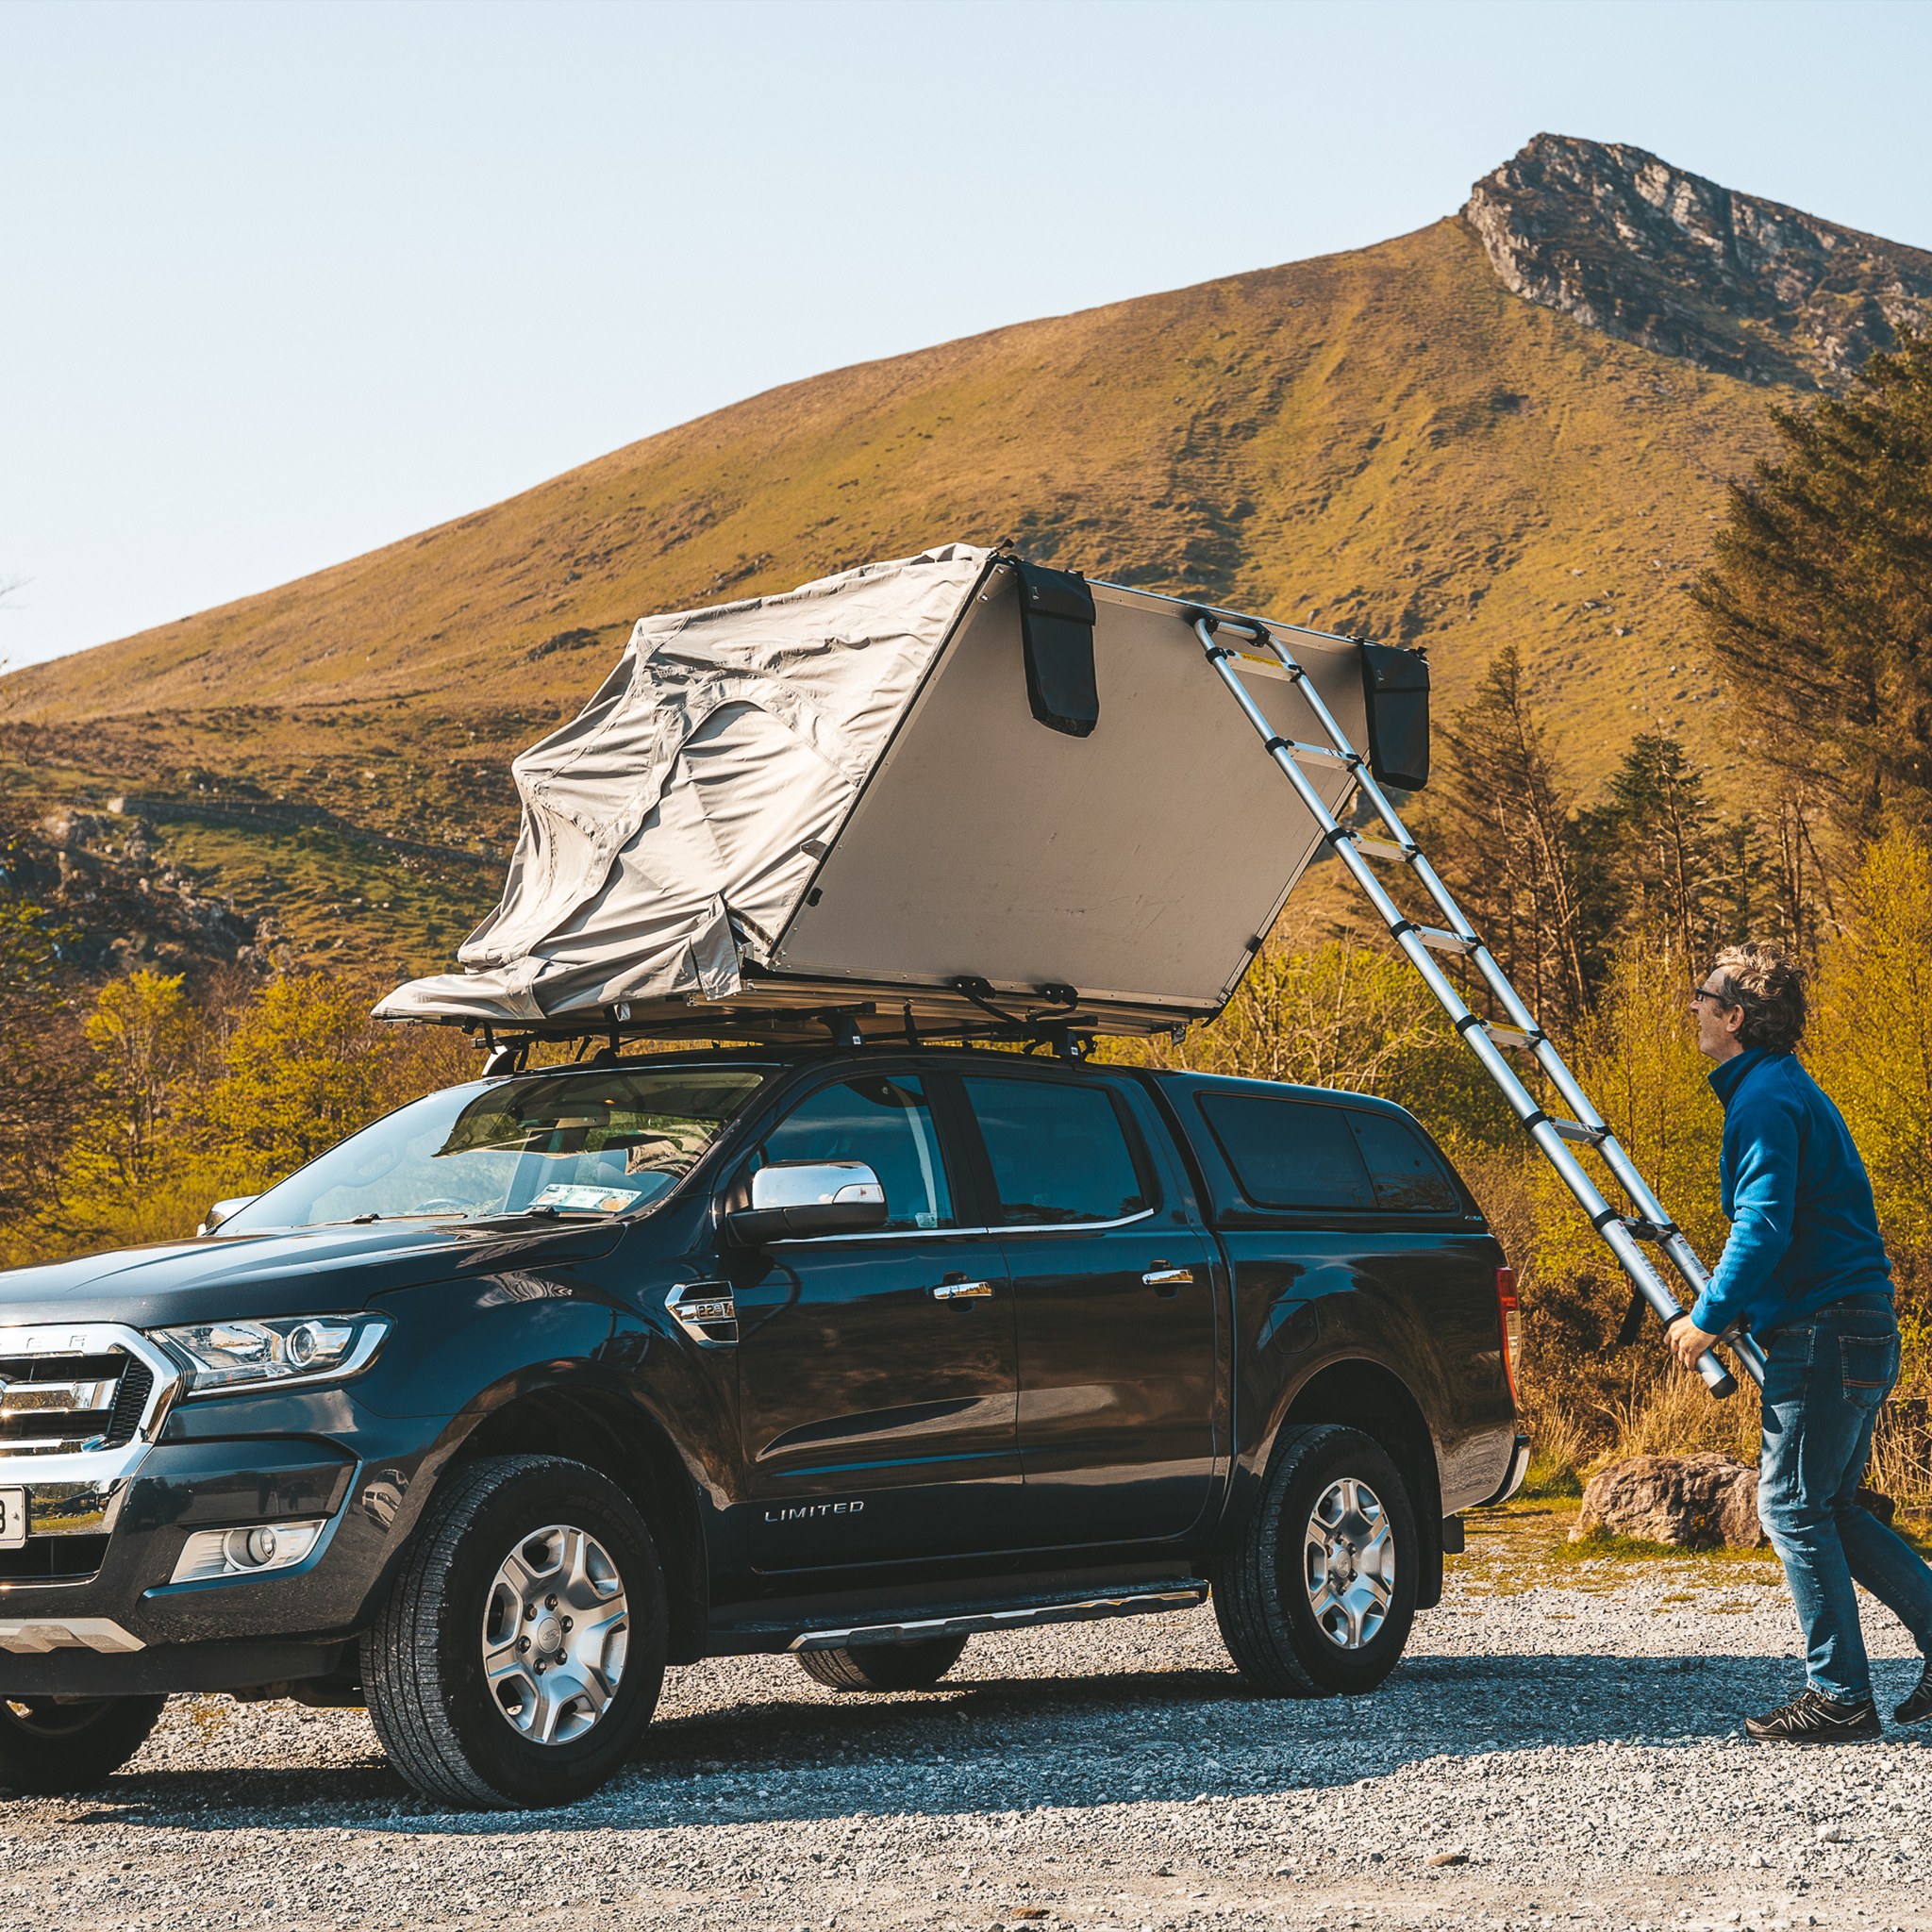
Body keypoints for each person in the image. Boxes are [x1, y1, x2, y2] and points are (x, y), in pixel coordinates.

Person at [1670, 941, 1932, 1742]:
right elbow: (1802, 1225)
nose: (1694, 1007)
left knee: (1788, 1505)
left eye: (1703, 994)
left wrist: (1711, 1314)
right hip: (1854, 1322)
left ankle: (1840, 1696)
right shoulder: (1779, 1089)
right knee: (1832, 1507)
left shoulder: (1762, 1101)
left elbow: (1764, 1224)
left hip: (1825, 1332)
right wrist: (1755, 1304)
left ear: (1735, 1016)